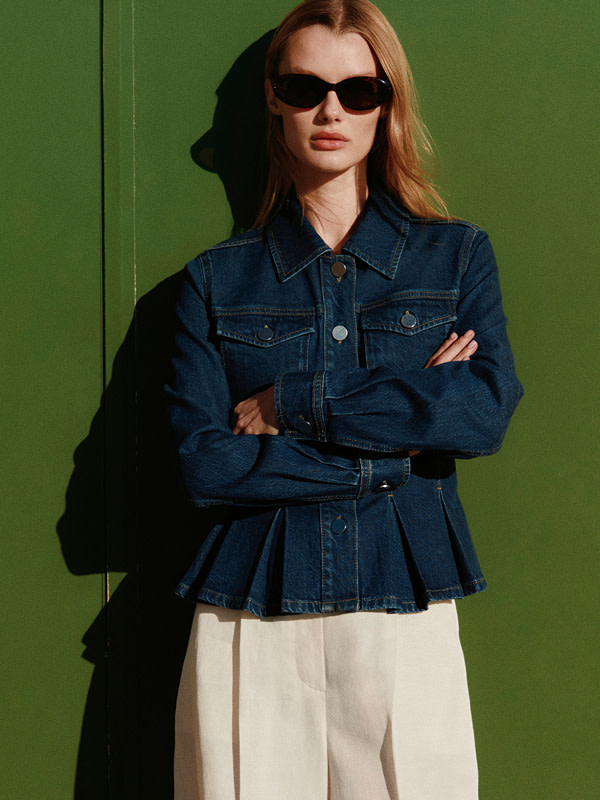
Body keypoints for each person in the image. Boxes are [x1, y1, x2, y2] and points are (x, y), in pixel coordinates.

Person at [166, 1, 523, 798]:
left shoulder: (454, 258)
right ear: (273, 98)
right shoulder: (215, 281)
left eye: (358, 90)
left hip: (405, 612)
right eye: (305, 86)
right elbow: (206, 464)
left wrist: (296, 401)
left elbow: (480, 412)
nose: (331, 110)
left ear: (387, 101)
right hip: (249, 620)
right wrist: (388, 457)